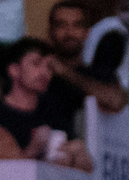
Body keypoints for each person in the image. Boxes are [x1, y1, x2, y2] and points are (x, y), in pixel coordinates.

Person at [0, 37, 92, 170]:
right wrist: (33, 150)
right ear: (14, 70)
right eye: (36, 64)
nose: (45, 72)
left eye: (49, 66)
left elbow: (83, 166)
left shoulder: (53, 113)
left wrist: (80, 159)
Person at [46, 0, 128, 121]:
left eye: (77, 26)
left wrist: (66, 72)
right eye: (61, 25)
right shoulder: (39, 70)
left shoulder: (98, 72)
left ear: (87, 33)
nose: (69, 32)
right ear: (50, 32)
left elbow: (116, 102)